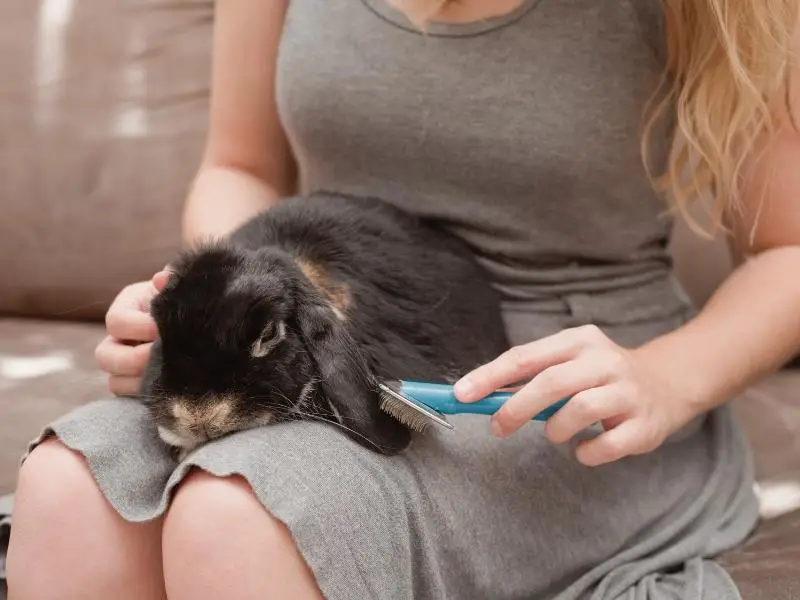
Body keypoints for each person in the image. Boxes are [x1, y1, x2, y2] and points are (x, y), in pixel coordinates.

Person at [6, 0, 800, 598]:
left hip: (566, 390)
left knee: (236, 517)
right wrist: (219, 303)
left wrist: (667, 379)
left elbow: (789, 252)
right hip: (335, 327)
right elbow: (240, 166)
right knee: (68, 488)